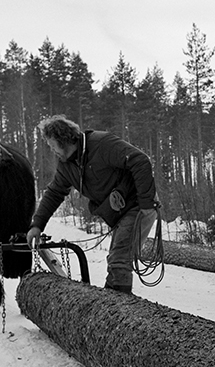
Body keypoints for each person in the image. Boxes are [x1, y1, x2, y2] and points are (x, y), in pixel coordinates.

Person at [27, 115, 158, 294]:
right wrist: (37, 225)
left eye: (52, 145)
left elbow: (139, 160)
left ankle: (122, 309)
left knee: (120, 259)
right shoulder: (66, 165)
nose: (52, 150)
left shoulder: (102, 144)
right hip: (120, 212)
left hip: (138, 205)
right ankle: (112, 304)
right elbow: (54, 193)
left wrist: (146, 204)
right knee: (115, 259)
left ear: (63, 140)